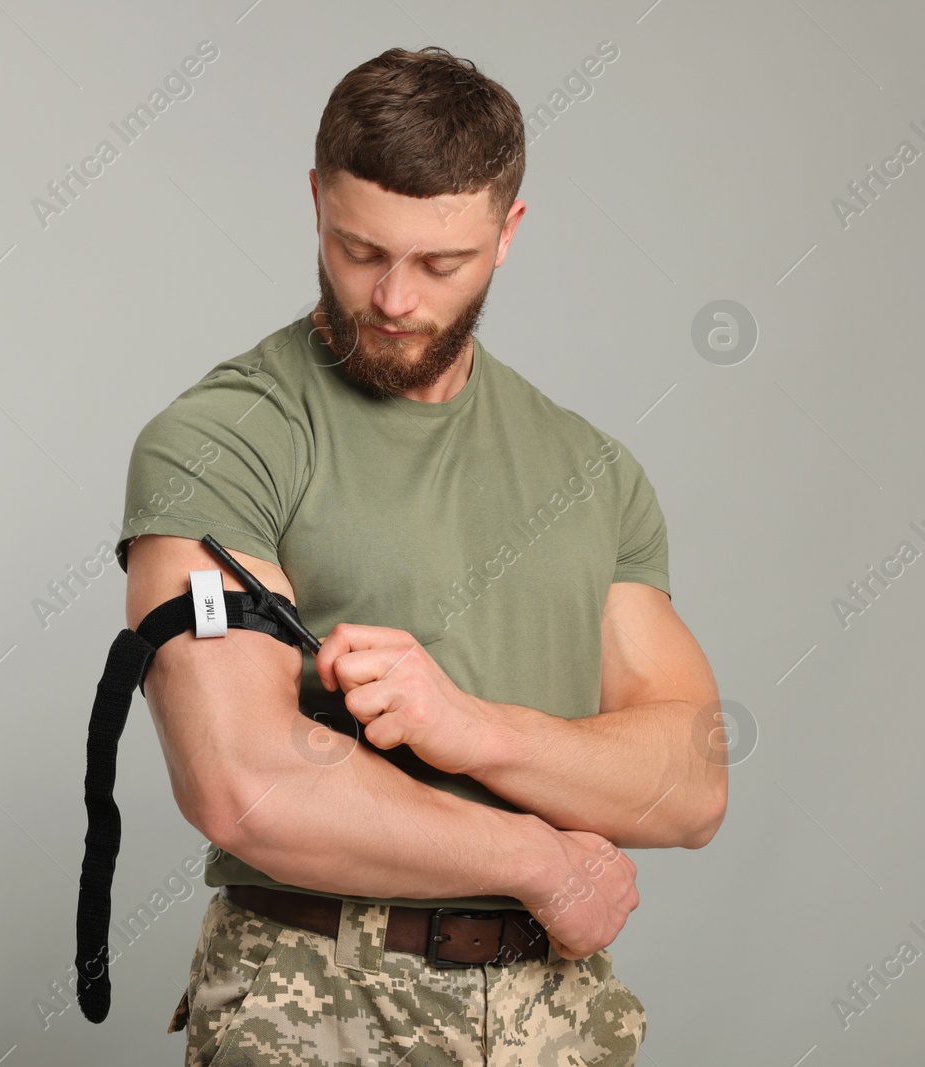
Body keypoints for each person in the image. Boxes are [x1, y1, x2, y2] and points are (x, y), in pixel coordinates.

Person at [113, 45, 726, 1066]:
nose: (393, 298)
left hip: (555, 1016)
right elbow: (242, 780)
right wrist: (536, 857)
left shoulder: (588, 469)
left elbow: (691, 777)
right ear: (315, 202)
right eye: (360, 250)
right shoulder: (222, 442)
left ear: (506, 232)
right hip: (316, 1008)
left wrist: (473, 729)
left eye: (439, 263)